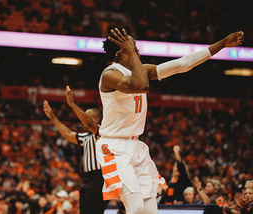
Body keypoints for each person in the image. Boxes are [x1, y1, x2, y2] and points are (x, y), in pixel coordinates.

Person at [96, 27, 244, 214]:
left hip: (137, 146)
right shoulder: (110, 74)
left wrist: (222, 44)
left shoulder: (141, 70)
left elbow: (183, 64)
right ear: (120, 51)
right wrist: (132, 53)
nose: (138, 49)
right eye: (133, 45)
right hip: (114, 146)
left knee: (150, 210)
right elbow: (141, 86)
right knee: (135, 207)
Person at [43, 85, 109, 214]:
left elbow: (89, 124)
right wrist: (52, 117)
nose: (81, 122)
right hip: (88, 179)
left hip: (100, 178)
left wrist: (73, 105)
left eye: (84, 117)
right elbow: (68, 134)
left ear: (95, 119)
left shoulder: (103, 132)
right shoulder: (87, 137)